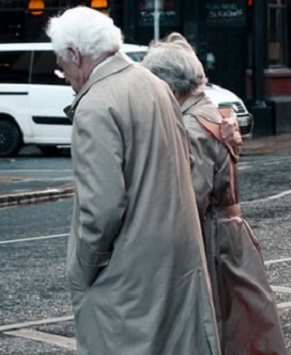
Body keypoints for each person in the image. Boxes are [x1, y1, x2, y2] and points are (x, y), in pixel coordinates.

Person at [46, 8, 220, 355]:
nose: (63, 75)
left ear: (76, 55)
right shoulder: (155, 85)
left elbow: (102, 209)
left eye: (61, 65)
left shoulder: (95, 105)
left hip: (126, 279)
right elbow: (183, 164)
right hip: (174, 264)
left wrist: (81, 271)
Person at [141, 32, 288, 355]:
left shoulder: (192, 128)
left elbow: (190, 197)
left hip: (210, 239)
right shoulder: (210, 112)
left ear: (170, 85)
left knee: (214, 326)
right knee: (238, 326)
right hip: (229, 236)